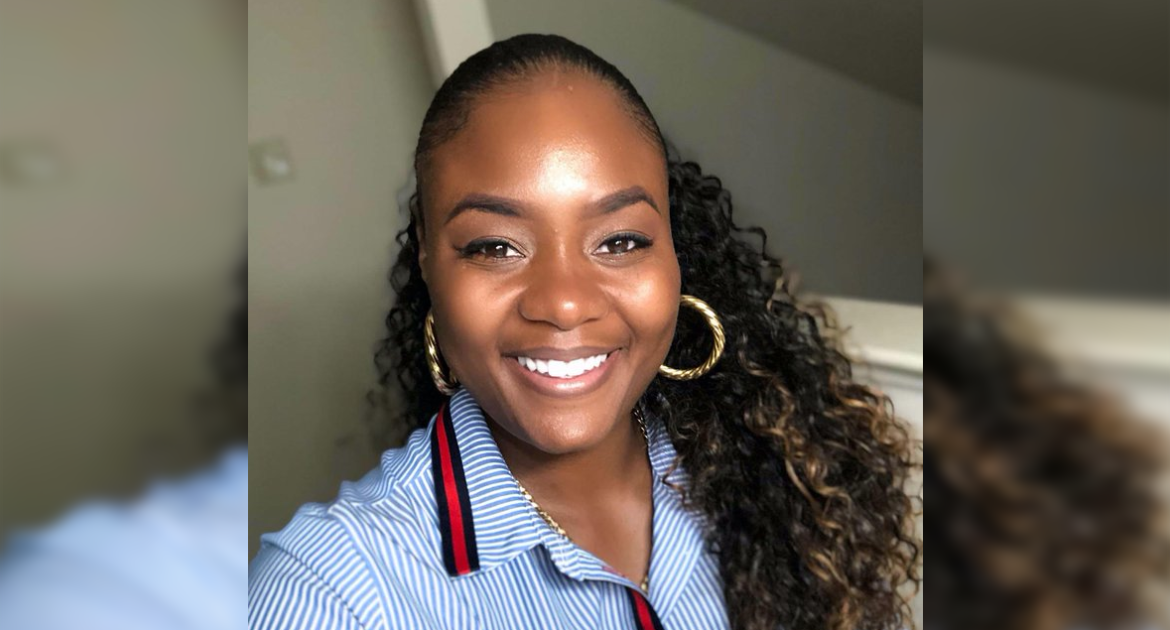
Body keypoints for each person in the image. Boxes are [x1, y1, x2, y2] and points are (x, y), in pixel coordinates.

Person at [249, 34, 919, 630]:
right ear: (427, 255)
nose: (565, 304)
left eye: (620, 241)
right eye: (495, 246)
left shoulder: (762, 463)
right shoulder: (331, 595)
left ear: (674, 247)